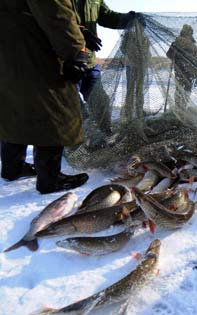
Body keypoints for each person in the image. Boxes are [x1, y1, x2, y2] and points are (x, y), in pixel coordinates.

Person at [0, 0, 90, 194]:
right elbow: (56, 15)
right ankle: (50, 179)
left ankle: (11, 169)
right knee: (54, 110)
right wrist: (75, 52)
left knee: (13, 108)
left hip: (8, 54)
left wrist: (80, 28)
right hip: (35, 52)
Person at [72, 0, 142, 134]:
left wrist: (128, 19)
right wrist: (80, 33)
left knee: (101, 102)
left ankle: (105, 136)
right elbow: (56, 20)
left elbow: (108, 17)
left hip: (89, 61)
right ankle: (73, 150)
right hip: (66, 63)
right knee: (73, 110)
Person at [120, 21, 151, 123]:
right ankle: (128, 114)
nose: (141, 28)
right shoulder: (129, 36)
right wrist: (132, 56)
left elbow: (147, 52)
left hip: (141, 67)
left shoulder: (145, 38)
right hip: (131, 66)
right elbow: (122, 48)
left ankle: (139, 112)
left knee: (139, 90)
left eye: (142, 27)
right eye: (139, 26)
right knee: (130, 91)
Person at [166, 24, 197, 110]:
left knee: (179, 88)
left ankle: (178, 107)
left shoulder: (176, 43)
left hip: (179, 70)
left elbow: (169, 54)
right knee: (186, 89)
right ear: (190, 33)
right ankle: (182, 107)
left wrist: (176, 56)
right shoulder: (193, 46)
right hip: (189, 71)